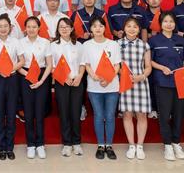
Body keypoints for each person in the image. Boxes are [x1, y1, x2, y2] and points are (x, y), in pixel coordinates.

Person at [148, 11, 184, 161]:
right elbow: (149, 61)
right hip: (163, 81)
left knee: (179, 113)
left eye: (171, 21)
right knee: (164, 114)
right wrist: (162, 68)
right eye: (165, 21)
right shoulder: (154, 41)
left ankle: (176, 143)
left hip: (180, 81)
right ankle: (167, 145)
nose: (169, 24)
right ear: (160, 24)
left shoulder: (181, 41)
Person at [81, 16, 121, 160]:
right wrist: (94, 76)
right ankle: (100, 145)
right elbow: (86, 64)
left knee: (110, 115)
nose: (98, 28)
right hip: (94, 86)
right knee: (98, 115)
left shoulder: (113, 44)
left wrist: (109, 78)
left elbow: (117, 65)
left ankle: (109, 145)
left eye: (101, 26)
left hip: (112, 86)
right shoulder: (86, 45)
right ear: (91, 29)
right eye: (95, 26)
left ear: (105, 28)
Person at [0, 14, 23, 159]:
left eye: (5, 26)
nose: (3, 29)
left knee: (10, 113)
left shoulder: (16, 42)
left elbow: (21, 60)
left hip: (12, 78)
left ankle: (10, 147)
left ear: (10, 28)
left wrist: (9, 69)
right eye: (0, 26)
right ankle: (1, 147)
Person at [117, 17, 152, 160]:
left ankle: (140, 145)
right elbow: (116, 65)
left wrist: (141, 76)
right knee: (127, 114)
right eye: (129, 26)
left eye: (135, 27)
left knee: (141, 115)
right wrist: (124, 74)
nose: (131, 29)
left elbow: (148, 66)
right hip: (125, 82)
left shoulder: (144, 45)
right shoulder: (117, 44)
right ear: (124, 28)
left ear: (139, 30)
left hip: (140, 82)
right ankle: (131, 145)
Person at [18, 16, 53, 159]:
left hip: (42, 77)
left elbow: (49, 64)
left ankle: (40, 144)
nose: (31, 29)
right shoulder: (20, 43)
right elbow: (18, 63)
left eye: (34, 27)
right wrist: (28, 75)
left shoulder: (45, 42)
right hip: (25, 75)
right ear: (25, 28)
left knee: (39, 111)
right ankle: (31, 145)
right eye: (29, 27)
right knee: (28, 112)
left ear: (39, 28)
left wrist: (41, 80)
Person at [50, 17, 85, 156]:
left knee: (76, 112)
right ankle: (67, 143)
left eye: (67, 26)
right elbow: (52, 66)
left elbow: (83, 63)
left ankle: (76, 142)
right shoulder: (53, 46)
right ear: (58, 30)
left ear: (72, 28)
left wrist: (79, 76)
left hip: (77, 82)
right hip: (61, 82)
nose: (64, 29)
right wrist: (64, 78)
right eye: (61, 27)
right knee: (64, 113)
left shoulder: (79, 45)